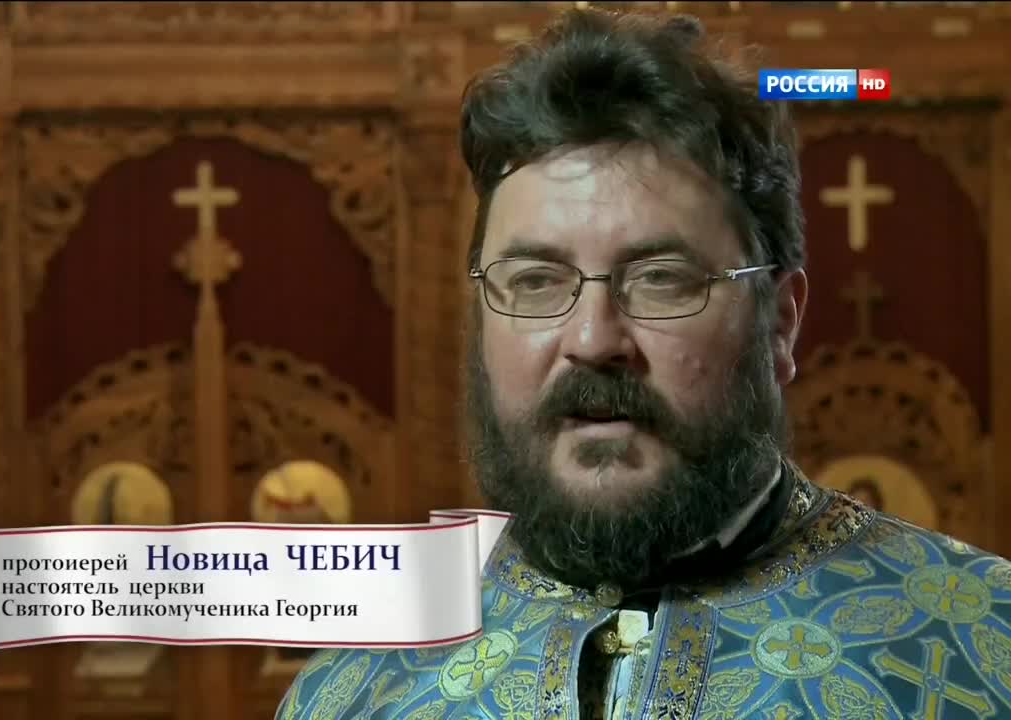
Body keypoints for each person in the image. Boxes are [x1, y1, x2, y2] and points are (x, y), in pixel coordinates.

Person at [278, 8, 1011, 719]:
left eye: (662, 279)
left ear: (779, 325)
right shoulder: (353, 688)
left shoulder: (986, 650)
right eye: (536, 282)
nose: (594, 339)